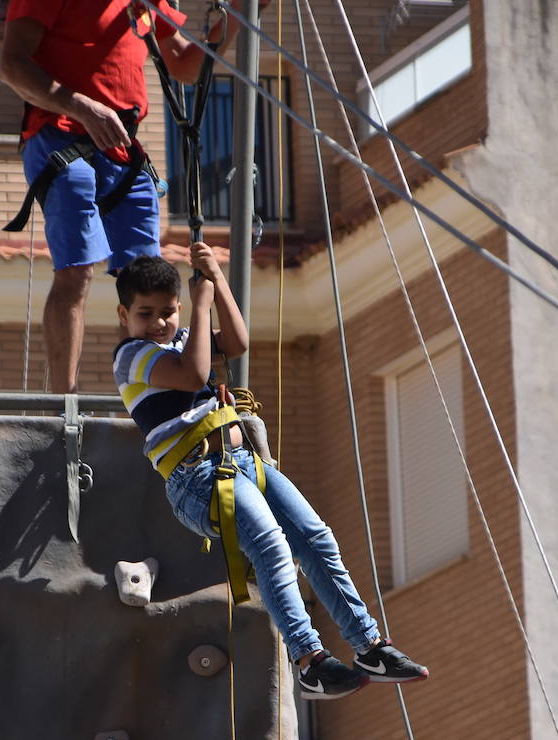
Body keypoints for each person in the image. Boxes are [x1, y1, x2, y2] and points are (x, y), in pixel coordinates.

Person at [111, 243, 430, 698]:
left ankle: (369, 644)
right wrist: (200, 307)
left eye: (168, 312)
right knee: (272, 547)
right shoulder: (131, 356)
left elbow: (238, 343)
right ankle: (309, 661)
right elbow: (192, 372)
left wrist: (217, 283)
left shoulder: (185, 336)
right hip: (197, 480)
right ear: (124, 315)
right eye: (146, 313)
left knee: (314, 536)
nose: (160, 323)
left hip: (242, 464)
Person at [0, 0, 243, 393]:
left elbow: (183, 63)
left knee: (146, 279)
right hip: (60, 133)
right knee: (77, 269)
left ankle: (147, 394)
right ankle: (64, 402)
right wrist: (81, 106)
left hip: (121, 148)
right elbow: (12, 65)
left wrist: (239, 15)